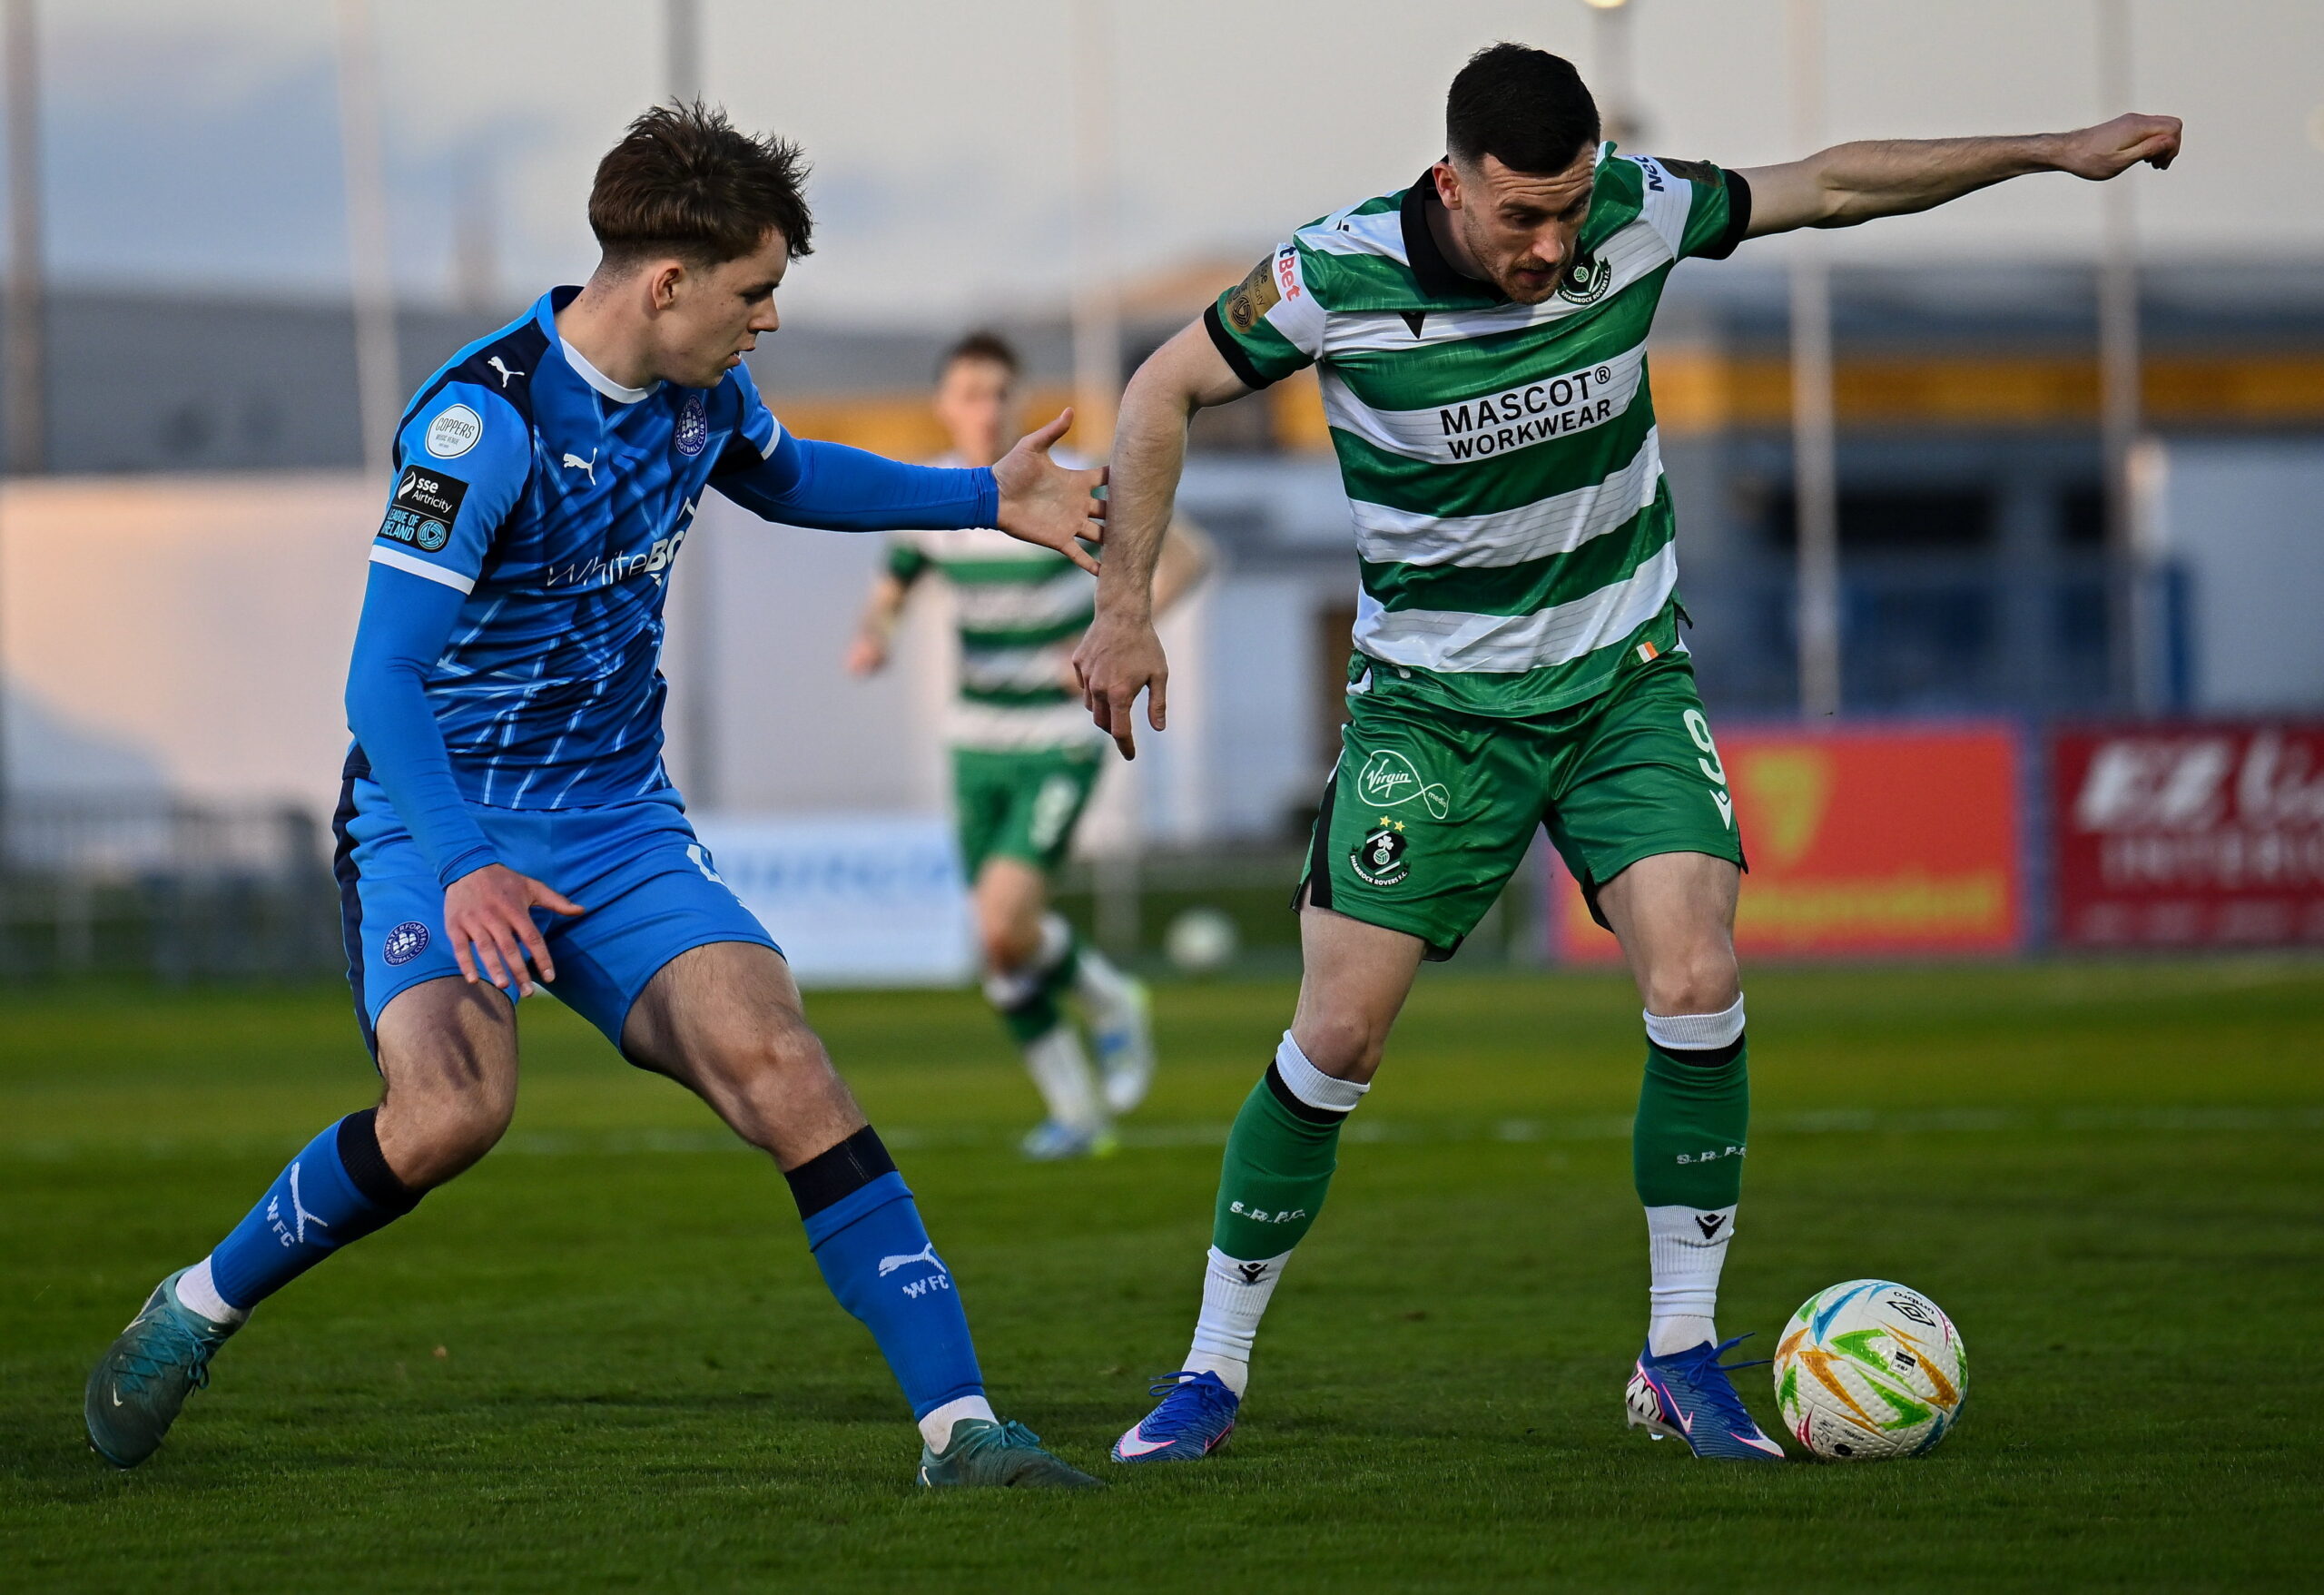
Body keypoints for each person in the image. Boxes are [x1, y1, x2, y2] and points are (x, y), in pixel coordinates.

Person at [1074, 43, 2180, 1463]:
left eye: (1572, 209)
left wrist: (2056, 149)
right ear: (1453, 181)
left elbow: (1831, 182)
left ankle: (1679, 1353)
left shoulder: (1635, 211)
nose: (1554, 244)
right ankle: (1211, 1371)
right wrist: (1126, 607)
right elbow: (1158, 389)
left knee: (1699, 972)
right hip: (1432, 713)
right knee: (1338, 1031)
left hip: (1623, 686)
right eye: (1522, 215)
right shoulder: (1328, 277)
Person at [83, 103, 1113, 1491]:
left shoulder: (703, 396)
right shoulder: (481, 421)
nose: (769, 325)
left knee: (787, 1066)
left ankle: (961, 1429)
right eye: (754, 296)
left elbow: (794, 476)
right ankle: (196, 1305)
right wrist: (462, 863)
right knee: (453, 1109)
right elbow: (382, 685)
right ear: (666, 282)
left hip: (616, 822)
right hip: (432, 813)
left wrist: (983, 495)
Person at [845, 332, 1208, 1159]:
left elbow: (1190, 557)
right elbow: (893, 583)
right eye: (967, 393)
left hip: (1054, 739)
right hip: (974, 741)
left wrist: (1112, 628)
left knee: (1007, 921)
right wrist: (875, 635)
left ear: (1017, 402)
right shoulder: (939, 494)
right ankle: (1077, 1113)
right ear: (944, 406)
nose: (983, 408)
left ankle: (1114, 1001)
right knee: (1000, 948)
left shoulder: (1074, 481)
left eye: (996, 392)